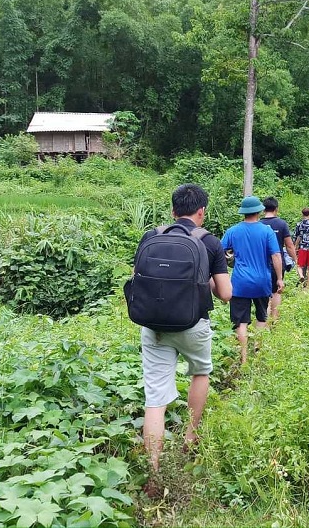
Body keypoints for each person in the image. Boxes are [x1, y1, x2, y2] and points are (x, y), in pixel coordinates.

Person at [139, 184, 232, 488]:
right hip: (193, 325)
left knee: (154, 397)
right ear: (202, 212)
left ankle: (151, 468)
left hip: (153, 325)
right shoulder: (211, 243)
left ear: (173, 210)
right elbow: (226, 295)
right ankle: (190, 435)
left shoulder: (151, 237)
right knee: (201, 372)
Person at [221, 196, 284, 364]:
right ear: (259, 211)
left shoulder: (233, 231)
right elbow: (276, 255)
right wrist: (279, 278)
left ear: (243, 213)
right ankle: (257, 351)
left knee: (240, 322)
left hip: (240, 282)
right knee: (262, 317)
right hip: (262, 282)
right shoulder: (267, 231)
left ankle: (243, 359)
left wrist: (227, 264)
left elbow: (220, 251)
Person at [260, 196, 297, 320]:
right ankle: (274, 319)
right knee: (276, 291)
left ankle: (263, 319)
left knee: (264, 292)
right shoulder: (281, 224)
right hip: (277, 263)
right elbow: (289, 245)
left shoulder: (258, 224)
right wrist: (296, 260)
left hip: (261, 263)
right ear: (276, 209)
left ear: (263, 209)